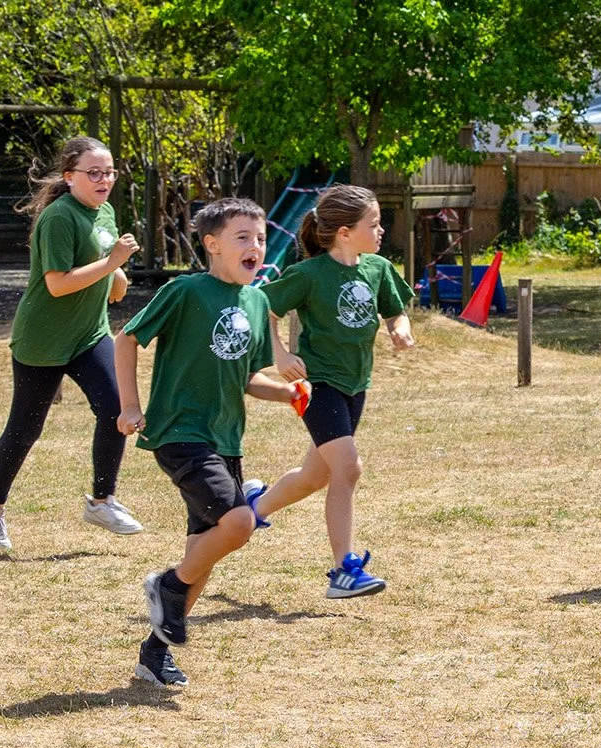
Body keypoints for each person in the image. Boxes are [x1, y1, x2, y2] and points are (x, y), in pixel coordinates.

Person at [121, 199, 302, 688]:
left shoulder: (257, 302)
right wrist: (130, 406)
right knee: (239, 522)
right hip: (180, 433)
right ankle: (167, 584)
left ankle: (154, 654)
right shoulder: (185, 291)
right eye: (243, 237)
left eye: (260, 238)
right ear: (212, 244)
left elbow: (248, 378)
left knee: (203, 551)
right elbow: (127, 339)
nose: (255, 246)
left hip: (226, 440)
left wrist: (286, 393)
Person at [242, 184, 415, 598]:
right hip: (317, 385)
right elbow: (261, 307)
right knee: (348, 469)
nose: (381, 231)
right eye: (374, 224)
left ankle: (254, 508)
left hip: (356, 384)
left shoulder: (378, 268)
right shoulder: (308, 274)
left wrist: (400, 330)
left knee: (315, 476)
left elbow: (395, 310)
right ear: (344, 232)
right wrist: (280, 354)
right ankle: (344, 571)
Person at [0, 136, 143, 550]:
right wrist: (113, 263)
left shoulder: (104, 211)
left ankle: (102, 501)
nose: (104, 180)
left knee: (116, 408)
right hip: (43, 339)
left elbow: (105, 262)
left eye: (109, 172)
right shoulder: (58, 218)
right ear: (69, 177)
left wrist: (117, 275)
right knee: (25, 429)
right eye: (94, 172)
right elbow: (58, 284)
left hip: (89, 334)